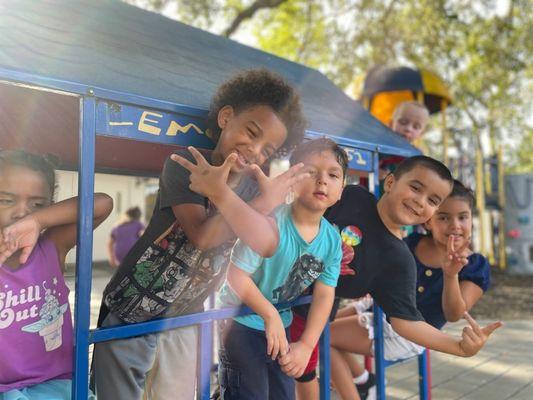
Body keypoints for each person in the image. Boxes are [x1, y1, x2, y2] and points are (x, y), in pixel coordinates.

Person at [93, 69, 307, 400]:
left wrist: (257, 203)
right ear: (226, 117)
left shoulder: (253, 187)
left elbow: (266, 244)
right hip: (131, 308)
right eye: (252, 133)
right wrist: (257, 205)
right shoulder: (187, 164)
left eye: (268, 150)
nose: (255, 150)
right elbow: (203, 236)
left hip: (186, 315)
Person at [295, 156, 502, 400]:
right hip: (268, 286)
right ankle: (362, 381)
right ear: (390, 182)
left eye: (432, 200)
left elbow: (406, 320)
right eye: (416, 187)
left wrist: (458, 347)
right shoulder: (351, 196)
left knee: (296, 374)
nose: (420, 201)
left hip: (306, 313)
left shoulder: (399, 260)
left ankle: (359, 384)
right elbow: (304, 212)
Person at [216, 138, 347, 400]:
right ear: (293, 179)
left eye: (333, 175)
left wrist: (307, 345)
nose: (322, 180)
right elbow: (236, 274)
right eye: (311, 171)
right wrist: (269, 314)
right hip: (239, 320)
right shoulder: (271, 223)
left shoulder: (332, 239)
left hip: (280, 323)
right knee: (248, 394)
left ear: (342, 188)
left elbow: (324, 294)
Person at [0, 149, 112, 400]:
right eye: (6, 200)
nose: (21, 212)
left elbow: (103, 203)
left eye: (37, 204)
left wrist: (38, 221)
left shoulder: (52, 245)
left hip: (54, 386)